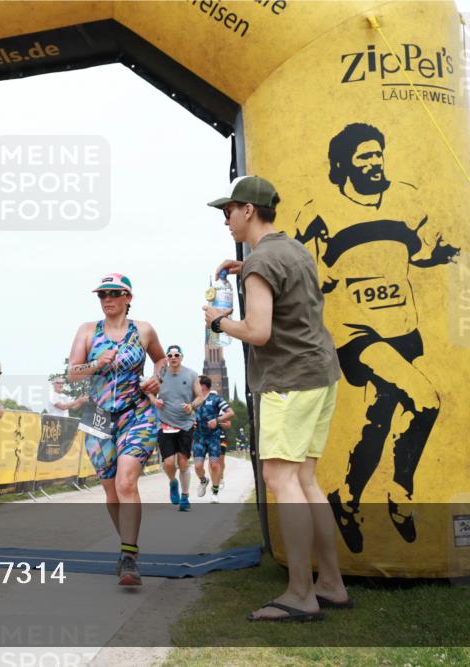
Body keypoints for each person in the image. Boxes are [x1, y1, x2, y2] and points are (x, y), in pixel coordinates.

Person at [294, 123, 457, 553]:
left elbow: (413, 253)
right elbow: (292, 255)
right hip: (355, 331)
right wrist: (314, 278)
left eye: (378, 154)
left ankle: (345, 500)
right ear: (344, 163)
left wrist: (435, 255)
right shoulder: (321, 209)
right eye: (364, 156)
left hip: (403, 326)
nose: (374, 162)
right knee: (425, 398)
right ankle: (401, 494)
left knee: (377, 422)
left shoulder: (407, 198)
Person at [203, 175, 349, 621]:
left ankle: (300, 595)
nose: (225, 219)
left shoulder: (260, 264)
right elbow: (278, 286)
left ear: (248, 210)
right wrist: (245, 268)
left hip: (289, 381)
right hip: (321, 373)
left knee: (281, 481)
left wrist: (218, 323)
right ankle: (331, 584)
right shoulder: (293, 250)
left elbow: (259, 333)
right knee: (305, 481)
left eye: (228, 211)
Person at [67, 273, 165, 586]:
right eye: (102, 295)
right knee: (110, 489)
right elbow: (71, 373)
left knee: (126, 482)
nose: (107, 299)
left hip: (136, 413)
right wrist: (95, 365)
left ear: (128, 298)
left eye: (114, 293)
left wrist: (157, 377)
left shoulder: (144, 330)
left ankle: (128, 557)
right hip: (97, 416)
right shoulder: (87, 331)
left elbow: (160, 360)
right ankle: (126, 545)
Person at [147, 345, 203, 511]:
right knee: (169, 463)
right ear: (167, 357)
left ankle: (185, 497)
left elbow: (200, 396)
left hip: (185, 423)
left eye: (176, 355)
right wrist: (154, 401)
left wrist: (192, 406)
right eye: (170, 355)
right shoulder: (160, 374)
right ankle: (173, 482)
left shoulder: (191, 374)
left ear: (181, 357)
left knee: (183, 463)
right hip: (165, 422)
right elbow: (148, 392)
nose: (173, 358)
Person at [191, 376, 233, 504]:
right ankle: (204, 481)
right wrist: (190, 422)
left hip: (213, 436)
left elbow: (230, 413)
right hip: (199, 437)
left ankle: (215, 493)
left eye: (196, 384)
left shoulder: (216, 399)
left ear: (202, 386)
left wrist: (217, 420)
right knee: (198, 466)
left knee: (215, 465)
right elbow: (186, 414)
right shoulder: (194, 400)